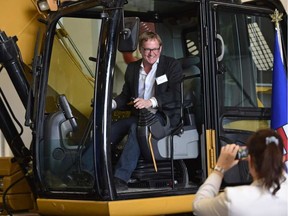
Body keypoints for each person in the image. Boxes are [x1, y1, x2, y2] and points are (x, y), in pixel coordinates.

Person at [111, 31, 182, 191]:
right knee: (108, 130)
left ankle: (120, 178)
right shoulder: (133, 68)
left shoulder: (171, 65)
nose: (151, 53)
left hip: (163, 116)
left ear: (161, 48)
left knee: (137, 128)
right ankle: (87, 172)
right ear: (140, 50)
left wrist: (150, 101)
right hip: (139, 115)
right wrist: (113, 104)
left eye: (155, 49)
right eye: (147, 49)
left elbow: (176, 94)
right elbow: (125, 95)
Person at [193, 128, 288, 216]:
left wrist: (219, 169)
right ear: (283, 159)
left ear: (250, 160)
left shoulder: (232, 199)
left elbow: (197, 206)